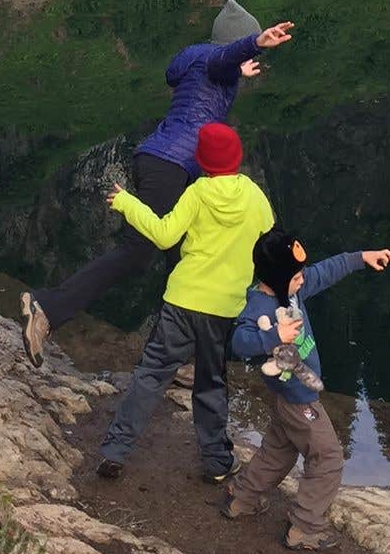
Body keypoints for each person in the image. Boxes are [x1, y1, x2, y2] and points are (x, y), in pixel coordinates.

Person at [20, 2, 294, 367]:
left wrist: (238, 66)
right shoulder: (216, 59)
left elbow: (208, 68)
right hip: (169, 165)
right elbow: (223, 57)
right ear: (235, 42)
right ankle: (47, 307)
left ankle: (170, 358)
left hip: (164, 161)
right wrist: (255, 43)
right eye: (243, 43)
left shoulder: (200, 60)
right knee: (136, 253)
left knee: (185, 262)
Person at [91, 120, 276, 483]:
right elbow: (270, 244)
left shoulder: (198, 193)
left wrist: (128, 203)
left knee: (151, 375)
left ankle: (115, 450)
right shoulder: (254, 196)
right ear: (237, 157)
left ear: (202, 161)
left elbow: (164, 236)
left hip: (182, 301)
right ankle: (217, 463)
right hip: (224, 310)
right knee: (211, 384)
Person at [224, 226, 390, 551]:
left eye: (301, 273)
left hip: (287, 397)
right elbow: (240, 342)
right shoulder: (260, 307)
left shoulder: (292, 290)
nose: (303, 279)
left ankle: (242, 498)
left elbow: (326, 270)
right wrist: (275, 336)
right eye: (296, 275)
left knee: (279, 449)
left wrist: (362, 257)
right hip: (297, 398)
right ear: (277, 279)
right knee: (328, 458)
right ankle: (305, 527)